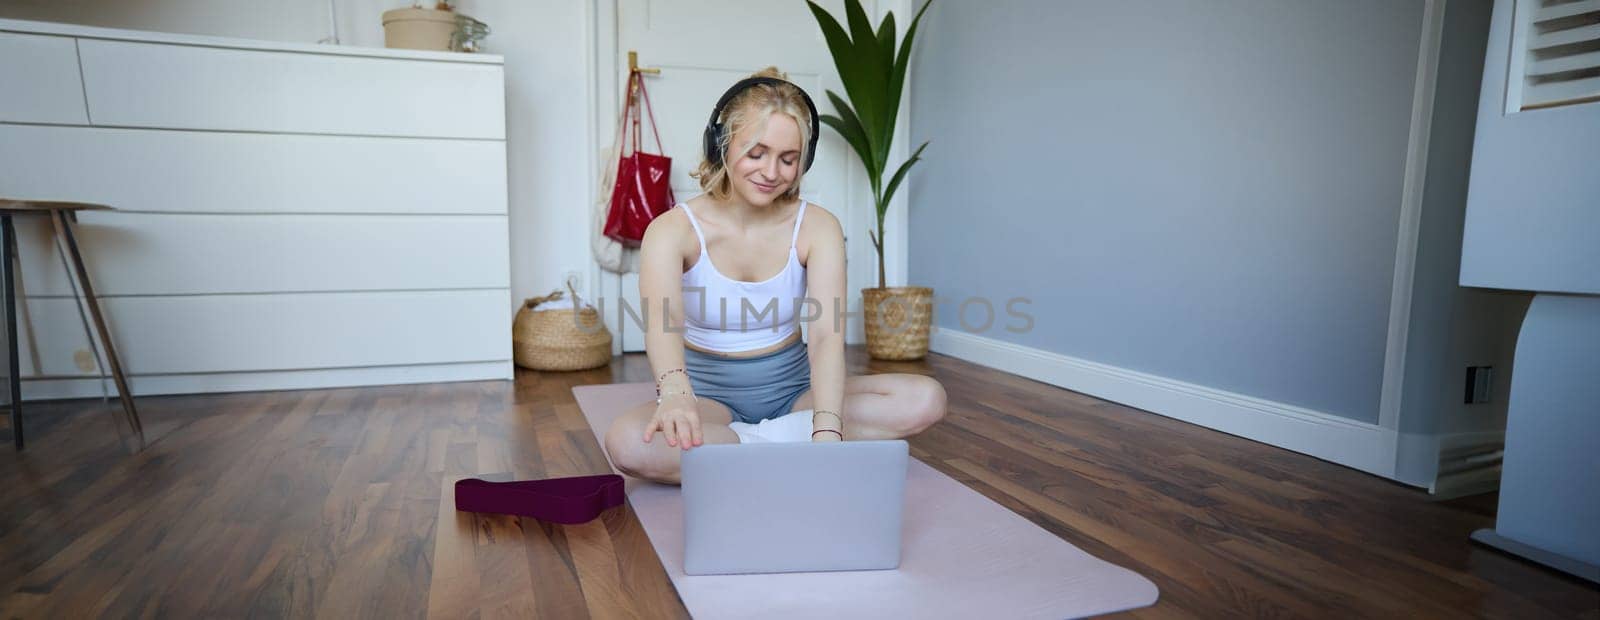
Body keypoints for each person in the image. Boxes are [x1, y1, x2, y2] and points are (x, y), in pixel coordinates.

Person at [603, 67, 947, 485]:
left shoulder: (818, 226)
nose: (772, 172)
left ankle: (743, 452)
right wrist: (675, 397)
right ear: (722, 145)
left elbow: (825, 336)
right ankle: (775, 447)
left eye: (788, 159)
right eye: (756, 153)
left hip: (794, 393)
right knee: (626, 443)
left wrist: (826, 425)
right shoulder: (671, 231)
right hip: (707, 397)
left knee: (925, 399)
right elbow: (663, 325)